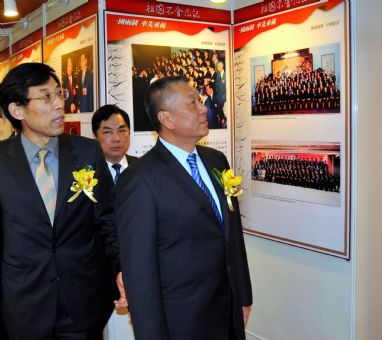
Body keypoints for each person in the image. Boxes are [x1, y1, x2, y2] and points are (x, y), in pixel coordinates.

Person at [115, 76, 252, 340]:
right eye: (192, 103)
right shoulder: (141, 179)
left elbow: (233, 235)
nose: (203, 109)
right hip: (181, 321)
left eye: (200, 101)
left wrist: (243, 296)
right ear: (166, 119)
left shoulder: (217, 160)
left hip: (227, 310)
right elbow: (140, 271)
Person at [0, 63, 126, 340]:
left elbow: (107, 220)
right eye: (46, 97)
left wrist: (121, 269)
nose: (59, 104)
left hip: (82, 302)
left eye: (59, 94)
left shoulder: (87, 152)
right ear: (17, 110)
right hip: (22, 306)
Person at [92, 104, 138, 184]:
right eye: (108, 132)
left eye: (122, 131)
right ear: (95, 136)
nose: (116, 139)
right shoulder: (87, 172)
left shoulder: (143, 167)